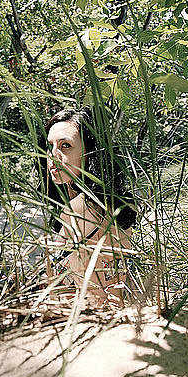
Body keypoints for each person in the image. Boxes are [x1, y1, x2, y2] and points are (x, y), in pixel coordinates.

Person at [38, 107, 137, 305]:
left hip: (96, 322)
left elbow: (97, 298)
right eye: (50, 146)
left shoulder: (80, 210)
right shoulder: (109, 202)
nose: (53, 156)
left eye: (66, 146)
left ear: (90, 152)